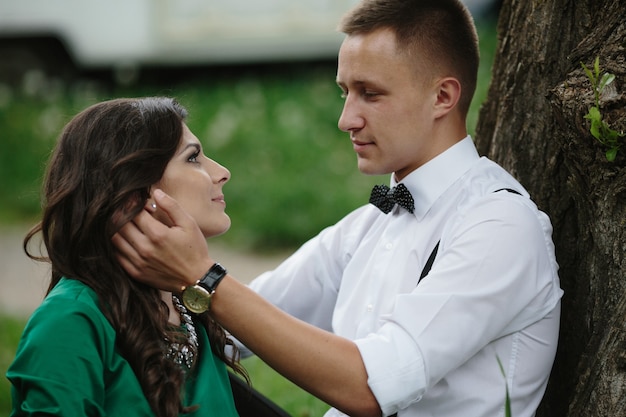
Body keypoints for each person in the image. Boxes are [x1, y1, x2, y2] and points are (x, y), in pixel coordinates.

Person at [113, 0, 564, 416]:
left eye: (370, 93)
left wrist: (204, 276)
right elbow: (234, 328)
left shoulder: (499, 226)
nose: (346, 119)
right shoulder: (369, 225)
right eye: (345, 92)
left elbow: (369, 389)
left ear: (442, 98)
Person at [6, 97, 249, 417]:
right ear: (134, 190)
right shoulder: (71, 322)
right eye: (193, 158)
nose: (222, 172)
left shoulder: (186, 305)